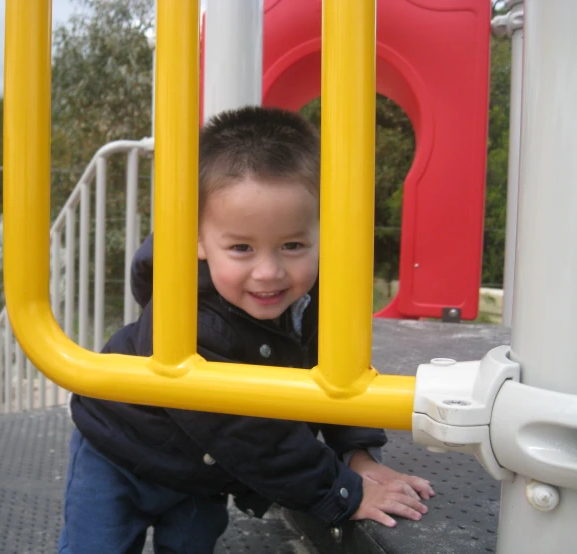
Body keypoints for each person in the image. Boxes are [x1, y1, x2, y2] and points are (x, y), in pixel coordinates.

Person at [58, 106, 435, 554]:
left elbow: (338, 374)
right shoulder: (187, 317)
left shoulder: (312, 295)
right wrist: (342, 492)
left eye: (292, 245)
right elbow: (249, 432)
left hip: (201, 473)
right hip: (119, 454)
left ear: (322, 231)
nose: (269, 272)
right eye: (241, 248)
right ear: (196, 238)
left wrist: (358, 454)